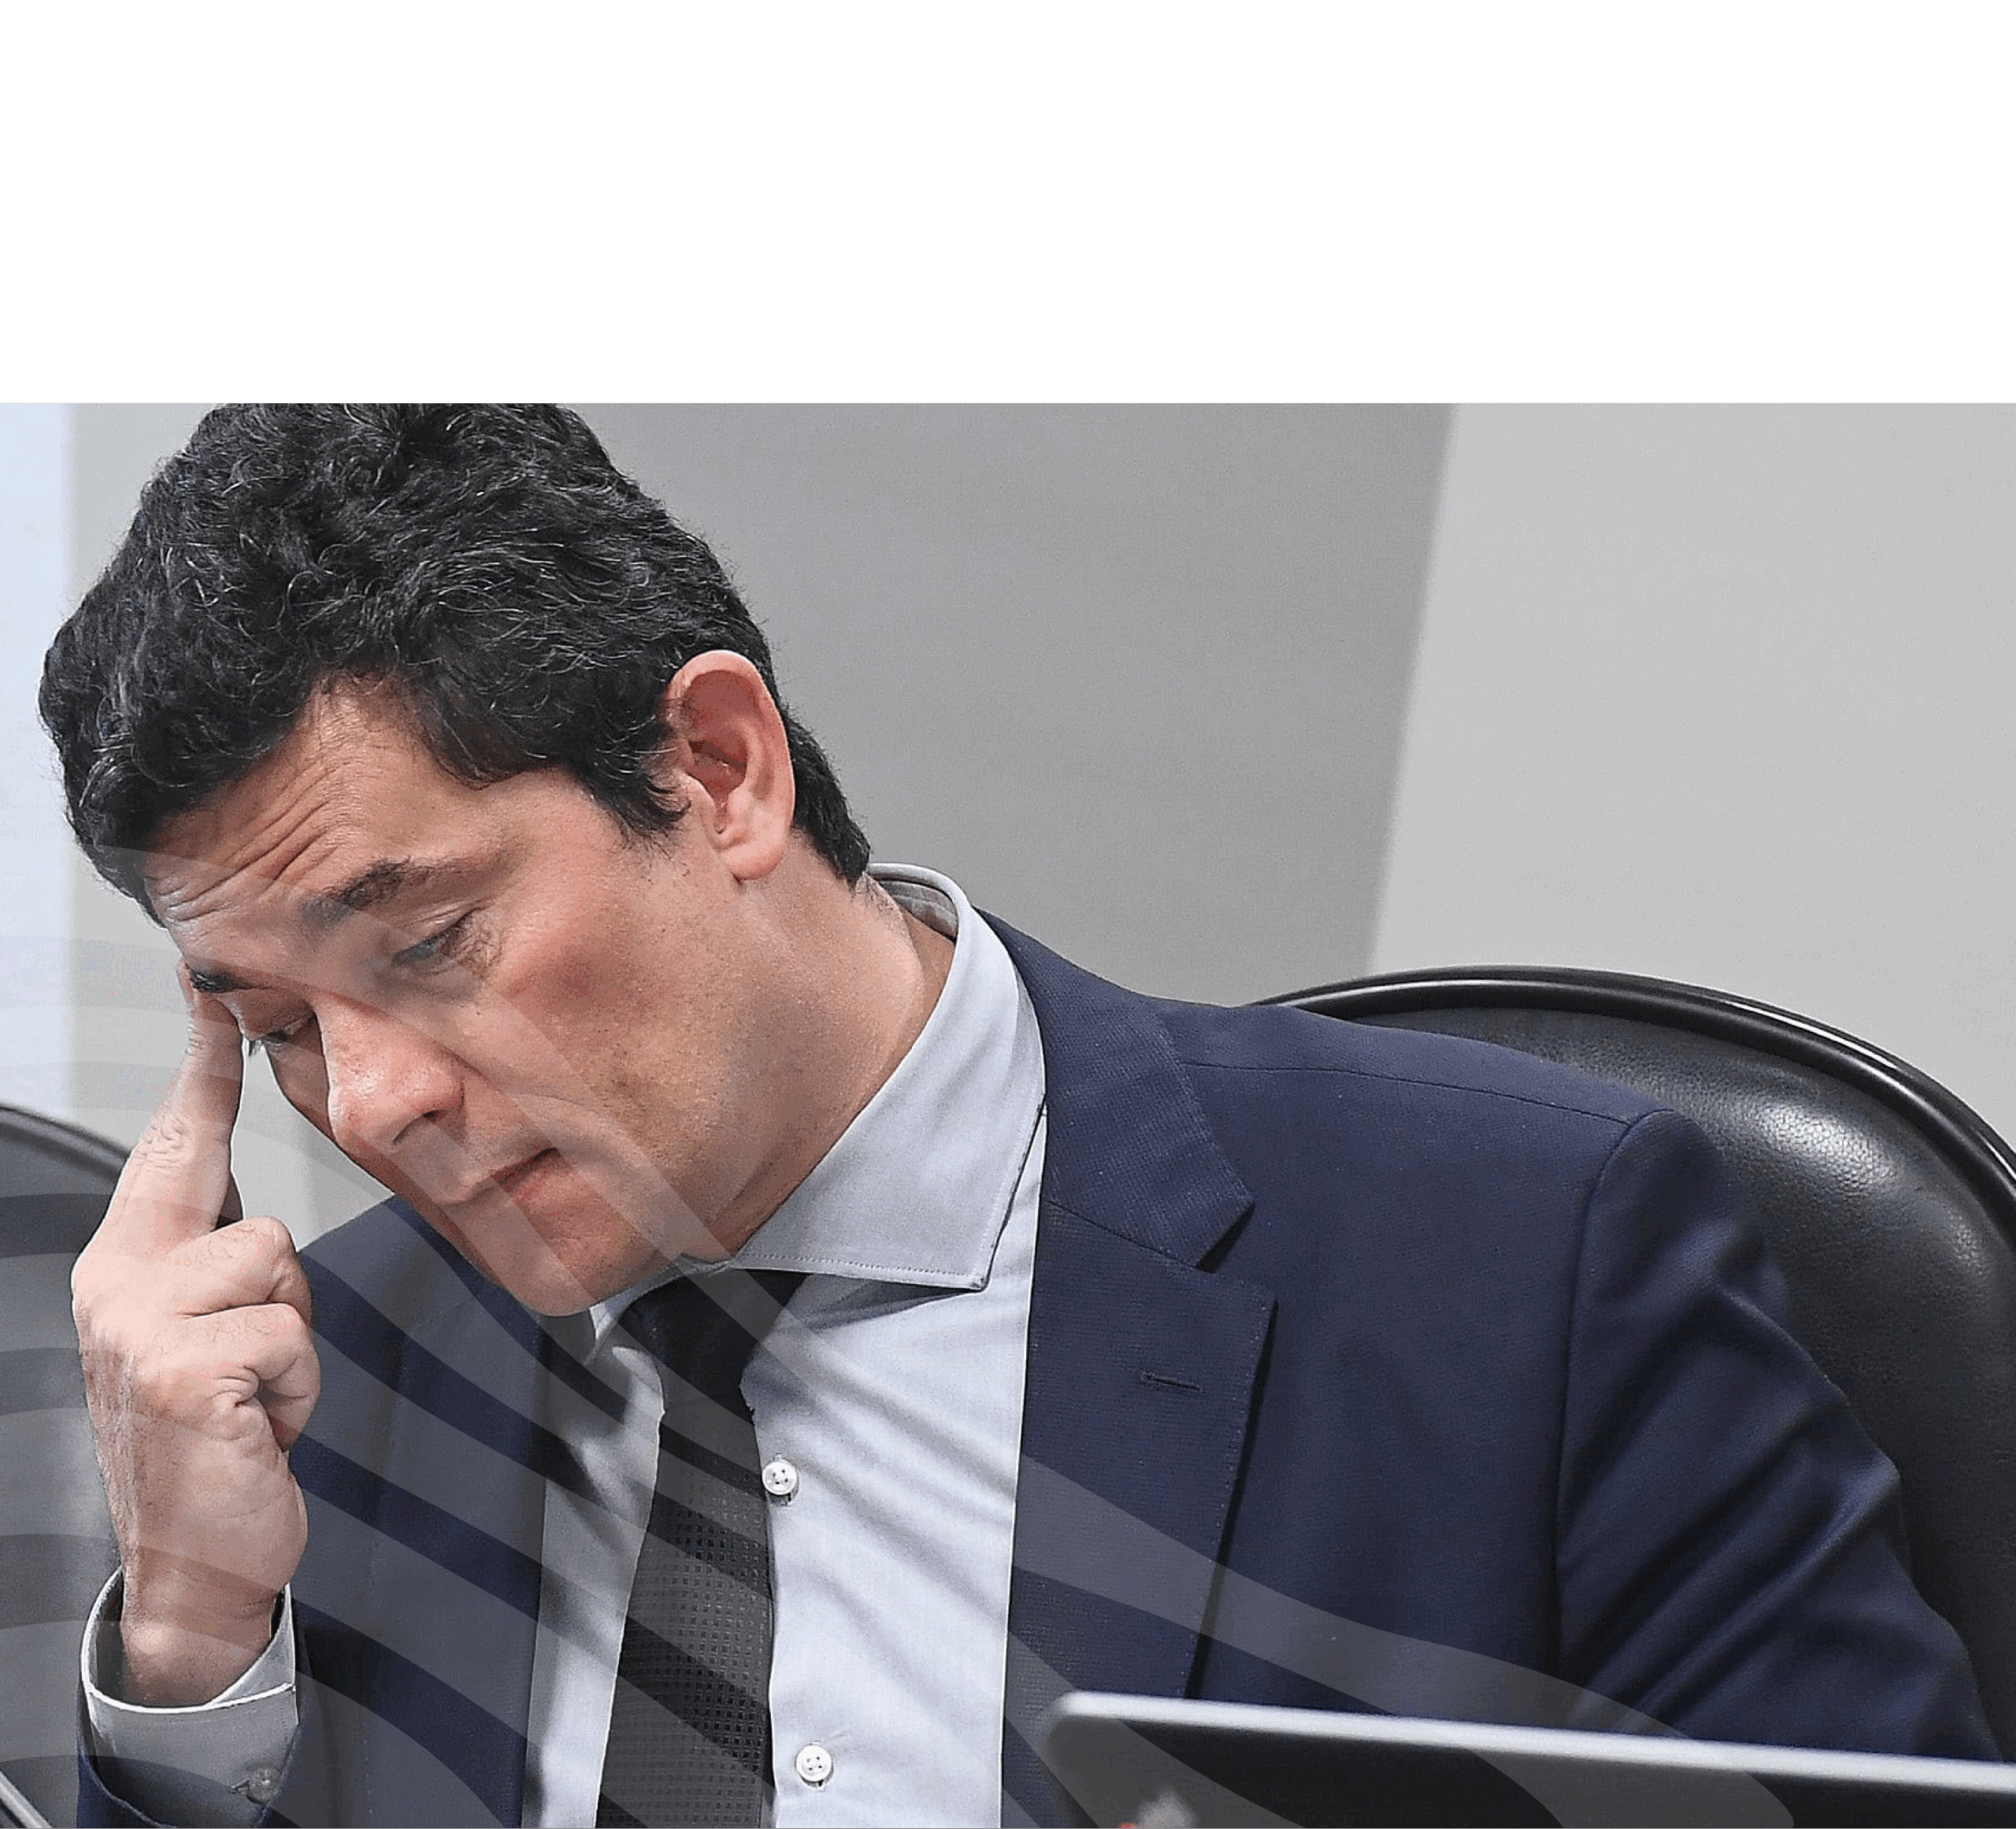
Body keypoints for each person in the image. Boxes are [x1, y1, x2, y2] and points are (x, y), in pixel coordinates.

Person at [40, 403, 1996, 1829]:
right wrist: (197, 1643)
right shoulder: (336, 1379)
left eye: (429, 943)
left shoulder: (1522, 1262)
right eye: (275, 1024)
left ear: (714, 768)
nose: (374, 1102)